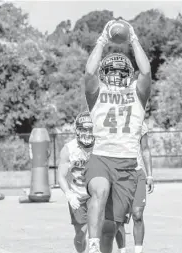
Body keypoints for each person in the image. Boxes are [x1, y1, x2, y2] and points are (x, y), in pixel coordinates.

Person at [84, 18, 151, 253]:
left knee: (115, 225)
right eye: (111, 71)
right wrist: (102, 39)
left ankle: (105, 246)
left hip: (128, 163)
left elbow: (146, 70)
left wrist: (133, 38)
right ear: (105, 73)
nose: (115, 75)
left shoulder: (137, 93)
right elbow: (89, 70)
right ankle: (91, 246)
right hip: (101, 157)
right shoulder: (97, 93)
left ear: (128, 74)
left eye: (120, 72)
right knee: (99, 191)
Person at [58, 111, 95, 253]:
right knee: (81, 233)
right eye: (83, 129)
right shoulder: (69, 149)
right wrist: (68, 194)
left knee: (96, 230)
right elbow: (61, 176)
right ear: (77, 130)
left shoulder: (100, 146)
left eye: (90, 129)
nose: (87, 132)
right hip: (77, 194)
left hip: (94, 194)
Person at [115, 122, 154, 253]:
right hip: (118, 174)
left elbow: (145, 149)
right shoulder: (112, 120)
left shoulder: (140, 123)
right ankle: (122, 251)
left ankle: (138, 251)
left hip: (137, 173)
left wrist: (150, 176)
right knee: (118, 218)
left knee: (137, 214)